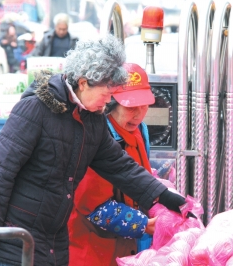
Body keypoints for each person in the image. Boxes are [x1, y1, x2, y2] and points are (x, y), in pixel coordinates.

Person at [0, 34, 186, 266]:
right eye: (105, 94)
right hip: (17, 238)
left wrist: (166, 198)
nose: (107, 102)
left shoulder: (93, 120)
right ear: (83, 83)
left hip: (53, 238)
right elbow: (0, 171)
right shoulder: (35, 109)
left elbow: (119, 166)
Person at [68, 63, 157, 265]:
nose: (139, 114)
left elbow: (141, 175)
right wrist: (144, 224)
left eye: (144, 106)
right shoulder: (94, 137)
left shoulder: (141, 130)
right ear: (111, 103)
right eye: (131, 107)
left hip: (126, 249)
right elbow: (93, 207)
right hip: (91, 250)